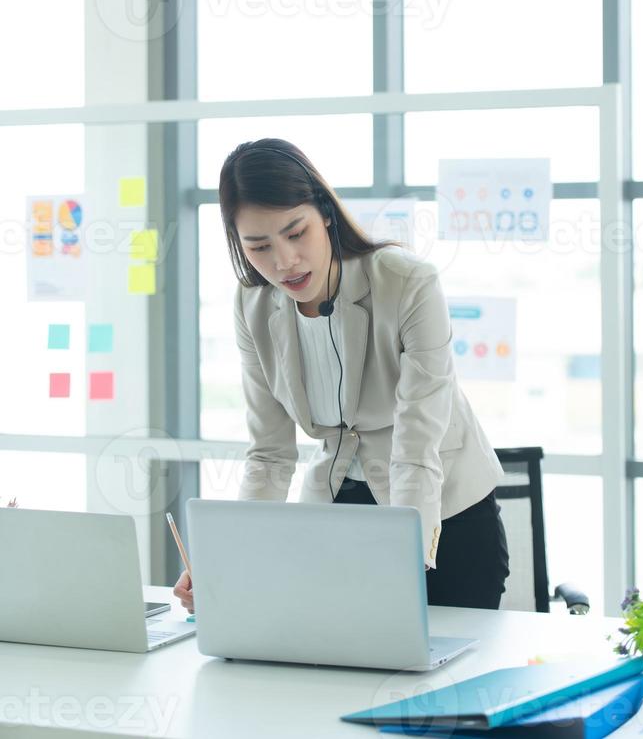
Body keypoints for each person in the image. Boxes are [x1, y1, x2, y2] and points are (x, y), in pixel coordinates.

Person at [175, 138, 509, 615]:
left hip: (445, 515)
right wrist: (225, 561)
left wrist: (403, 558)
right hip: (340, 514)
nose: (283, 261)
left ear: (326, 214)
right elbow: (269, 455)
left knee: (441, 676)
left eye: (295, 233)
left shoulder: (407, 283)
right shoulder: (253, 305)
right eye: (259, 246)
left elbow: (416, 442)